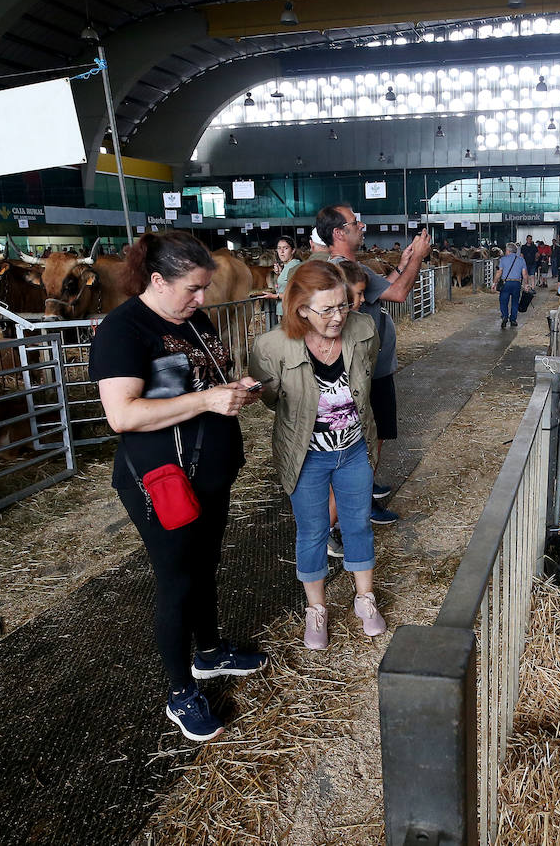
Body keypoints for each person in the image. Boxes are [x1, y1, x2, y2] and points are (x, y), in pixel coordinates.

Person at [89, 230, 267, 744]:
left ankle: (210, 653)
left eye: (205, 288)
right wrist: (208, 402)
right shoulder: (124, 330)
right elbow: (122, 415)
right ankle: (179, 689)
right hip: (164, 480)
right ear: (157, 280)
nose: (203, 298)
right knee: (177, 579)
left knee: (206, 564)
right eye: (192, 288)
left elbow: (202, 385)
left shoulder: (194, 319)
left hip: (209, 471)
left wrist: (234, 394)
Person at [249, 261, 387, 650]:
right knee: (312, 531)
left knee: (357, 524)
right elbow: (272, 399)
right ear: (300, 308)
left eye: (342, 305)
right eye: (326, 309)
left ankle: (365, 599)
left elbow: (365, 377)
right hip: (306, 455)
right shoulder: (271, 346)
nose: (338, 316)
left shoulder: (363, 329)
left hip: (354, 449)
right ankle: (317, 609)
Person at [316, 203, 432, 525]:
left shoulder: (352, 266)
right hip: (364, 372)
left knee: (371, 436)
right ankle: (359, 502)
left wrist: (406, 260)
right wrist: (419, 257)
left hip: (370, 368)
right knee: (369, 438)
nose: (361, 225)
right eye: (355, 222)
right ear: (339, 233)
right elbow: (397, 294)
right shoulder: (343, 269)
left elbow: (383, 289)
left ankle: (362, 491)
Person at [494, 243, 529, 329]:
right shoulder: (521, 260)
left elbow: (499, 272)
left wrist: (494, 282)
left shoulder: (503, 259)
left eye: (506, 250)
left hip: (506, 283)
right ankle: (513, 320)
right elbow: (524, 274)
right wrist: (526, 284)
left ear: (508, 251)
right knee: (515, 302)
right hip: (517, 283)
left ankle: (505, 316)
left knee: (503, 301)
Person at [265, 236, 301, 318]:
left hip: (292, 312)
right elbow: (285, 284)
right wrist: (280, 273)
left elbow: (296, 293)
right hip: (286, 311)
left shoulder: (294, 265)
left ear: (293, 250)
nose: (281, 251)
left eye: (285, 248)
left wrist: (274, 296)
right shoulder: (287, 266)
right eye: (279, 248)